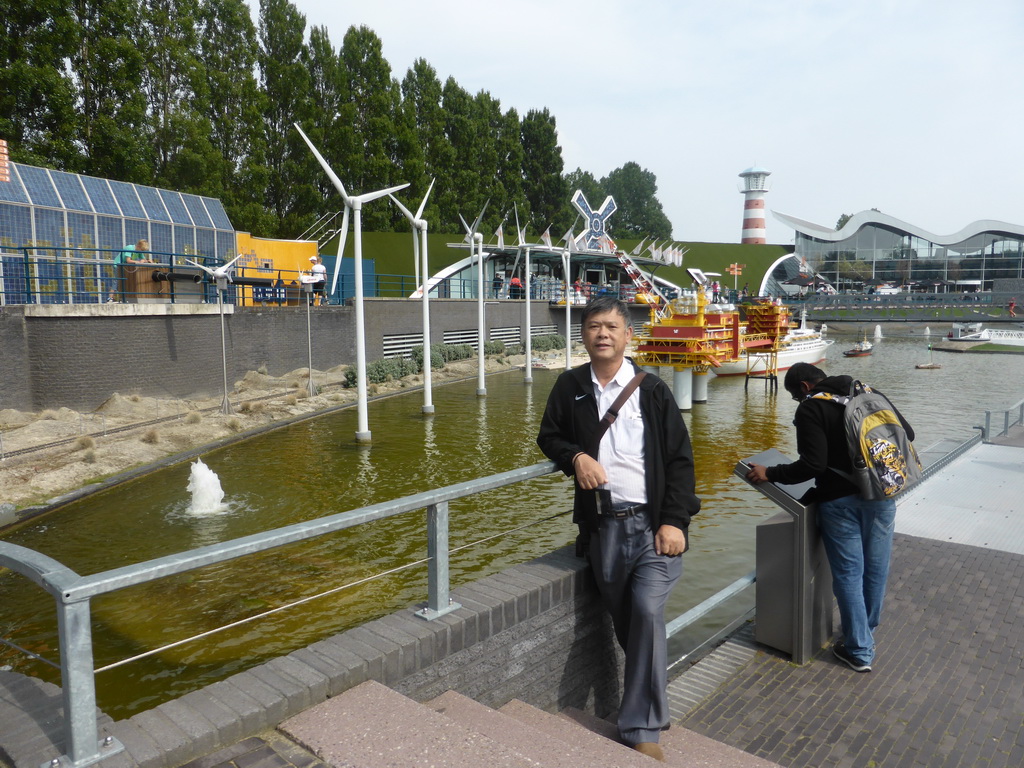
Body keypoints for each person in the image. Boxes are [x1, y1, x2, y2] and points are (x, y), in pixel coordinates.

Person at [537, 295, 700, 762]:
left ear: (628, 335)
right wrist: (576, 456)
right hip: (604, 528)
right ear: (584, 335)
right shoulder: (570, 387)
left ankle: (641, 727)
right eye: (593, 327)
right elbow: (548, 436)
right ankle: (649, 697)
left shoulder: (652, 390)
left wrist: (674, 520)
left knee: (647, 612)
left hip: (652, 527)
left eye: (611, 326)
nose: (602, 334)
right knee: (630, 626)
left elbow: (680, 460)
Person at [745, 362, 915, 674]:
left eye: (797, 397)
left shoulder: (812, 408)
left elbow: (812, 465)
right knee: (876, 570)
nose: (799, 402)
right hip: (882, 495)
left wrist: (769, 472)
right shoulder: (868, 392)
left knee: (849, 574)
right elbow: (909, 434)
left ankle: (860, 649)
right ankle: (865, 632)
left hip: (840, 502)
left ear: (804, 388)